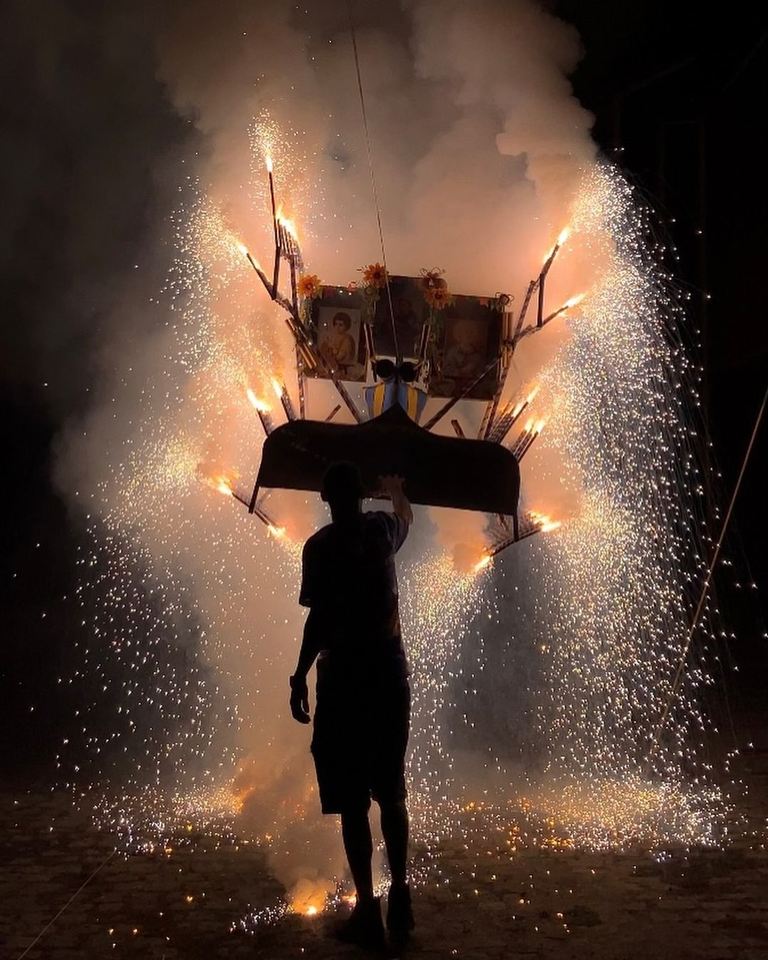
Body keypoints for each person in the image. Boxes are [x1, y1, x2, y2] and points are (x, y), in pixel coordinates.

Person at [289, 462, 415, 949]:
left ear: (326, 498)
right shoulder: (383, 530)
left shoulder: (319, 549)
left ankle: (369, 910)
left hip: (344, 687)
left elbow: (318, 621)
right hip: (387, 679)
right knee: (392, 793)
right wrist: (397, 489)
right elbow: (406, 515)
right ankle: (400, 898)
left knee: (354, 805)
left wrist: (299, 676)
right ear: (363, 495)